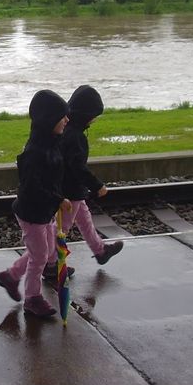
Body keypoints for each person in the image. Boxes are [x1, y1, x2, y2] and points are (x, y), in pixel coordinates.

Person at [0, 89, 72, 317]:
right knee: (40, 255)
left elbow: (54, 177)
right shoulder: (35, 153)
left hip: (44, 211)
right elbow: (33, 188)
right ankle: (32, 299)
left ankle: (10, 276)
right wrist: (57, 199)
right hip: (32, 213)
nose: (67, 120)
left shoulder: (52, 144)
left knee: (45, 251)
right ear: (49, 120)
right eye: (62, 116)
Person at [44, 85, 123, 277]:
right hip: (70, 192)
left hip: (71, 189)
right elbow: (78, 167)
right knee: (61, 229)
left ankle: (100, 251)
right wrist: (97, 185)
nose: (95, 119)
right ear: (85, 114)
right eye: (94, 114)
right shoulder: (76, 137)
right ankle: (51, 264)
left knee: (85, 220)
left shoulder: (66, 130)